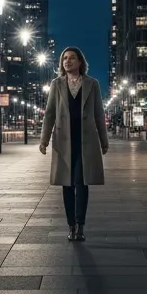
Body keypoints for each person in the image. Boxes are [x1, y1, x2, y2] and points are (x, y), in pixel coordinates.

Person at [39, 46, 108, 241]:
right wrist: (44, 140)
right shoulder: (56, 84)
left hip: (86, 142)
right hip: (63, 142)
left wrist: (104, 140)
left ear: (80, 62)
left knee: (81, 182)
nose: (67, 61)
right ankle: (71, 225)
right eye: (65, 58)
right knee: (67, 184)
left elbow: (99, 114)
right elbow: (50, 113)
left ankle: (80, 226)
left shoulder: (92, 84)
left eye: (72, 58)